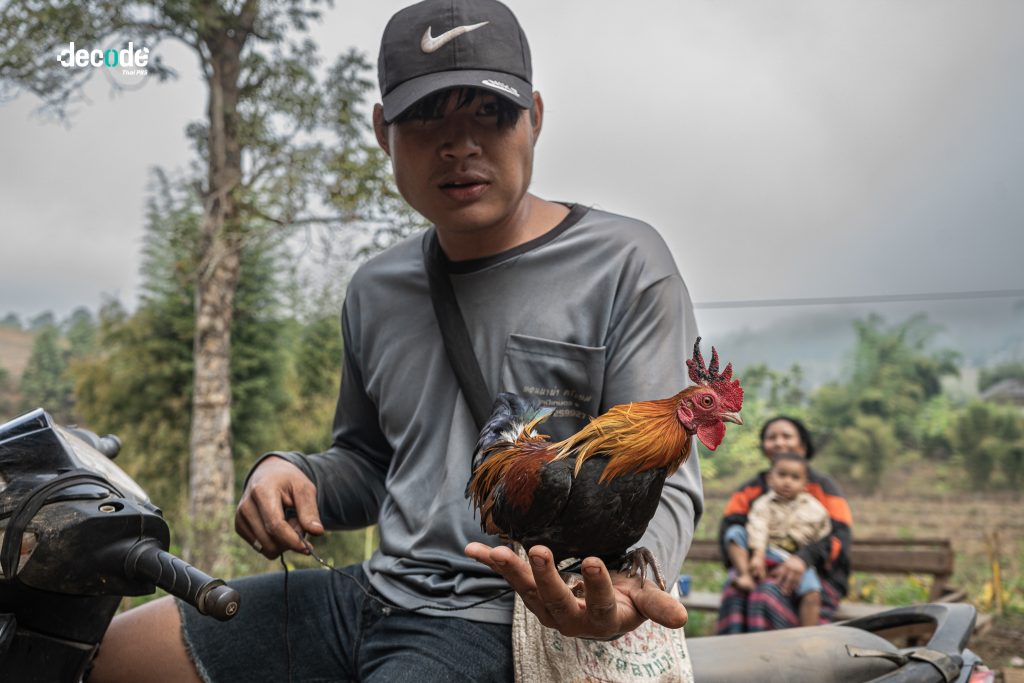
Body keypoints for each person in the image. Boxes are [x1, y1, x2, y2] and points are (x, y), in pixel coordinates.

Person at [91, 1, 701, 681]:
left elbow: (666, 479)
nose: (460, 144)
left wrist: (631, 583)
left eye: (489, 113)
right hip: (373, 592)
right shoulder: (377, 288)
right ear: (384, 131)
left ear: (534, 116)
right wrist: (293, 473)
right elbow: (370, 462)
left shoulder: (624, 262)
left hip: (504, 613)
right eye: (427, 116)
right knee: (101, 656)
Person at [716, 416, 853, 633]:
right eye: (772, 438)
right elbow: (731, 530)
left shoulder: (824, 487)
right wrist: (757, 561)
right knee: (735, 591)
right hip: (758, 568)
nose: (779, 442)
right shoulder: (750, 490)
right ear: (764, 446)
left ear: (803, 445)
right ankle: (737, 652)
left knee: (766, 595)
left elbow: (838, 537)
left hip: (816, 574)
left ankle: (799, 647)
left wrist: (803, 558)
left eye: (787, 436)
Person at [726, 452, 831, 626]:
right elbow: (758, 527)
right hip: (765, 550)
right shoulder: (763, 504)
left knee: (812, 592)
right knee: (735, 533)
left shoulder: (814, 508)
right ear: (770, 479)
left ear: (805, 484)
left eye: (795, 478)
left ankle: (809, 633)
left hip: (793, 558)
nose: (787, 482)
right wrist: (758, 554)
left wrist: (807, 557)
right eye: (782, 475)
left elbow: (822, 535)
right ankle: (745, 575)